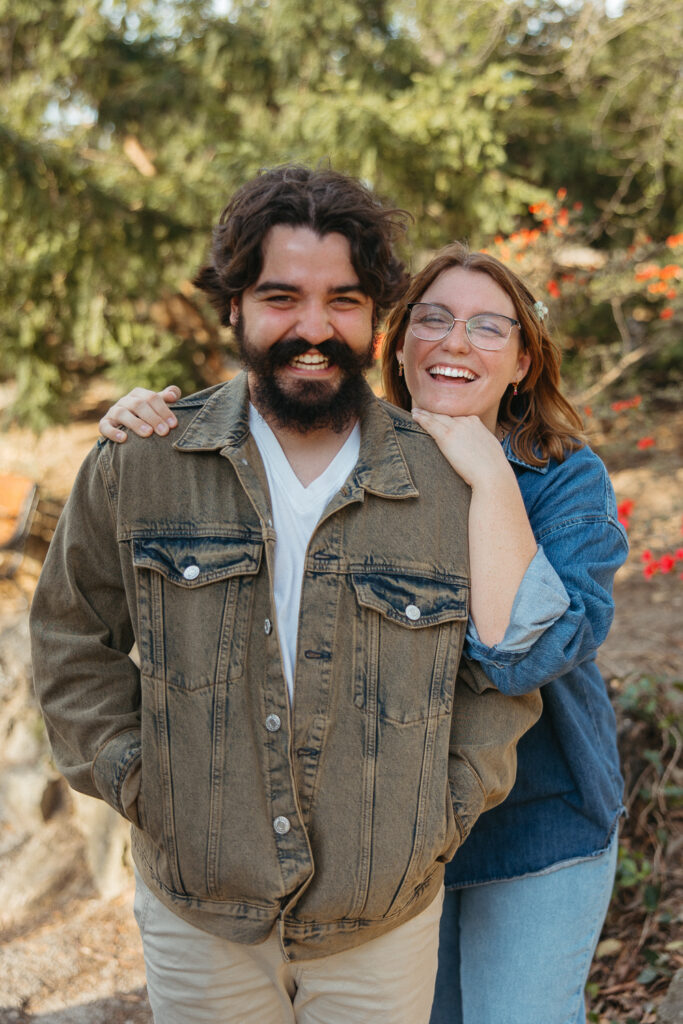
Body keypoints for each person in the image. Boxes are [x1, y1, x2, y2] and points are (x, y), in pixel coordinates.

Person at [30, 167, 541, 1024]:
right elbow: (70, 640)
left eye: (343, 300)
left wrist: (441, 810)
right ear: (232, 305)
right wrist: (137, 782)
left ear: (376, 312)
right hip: (200, 915)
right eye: (280, 296)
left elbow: (499, 674)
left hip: (381, 920)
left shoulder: (452, 485)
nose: (313, 328)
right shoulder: (140, 463)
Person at [102, 240, 628, 1024]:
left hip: (535, 824)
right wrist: (143, 422)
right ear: (398, 342)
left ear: (521, 361)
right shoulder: (344, 455)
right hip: (373, 840)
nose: (455, 342)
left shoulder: (563, 478)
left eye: (489, 328)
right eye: (434, 318)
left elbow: (531, 655)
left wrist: (486, 474)